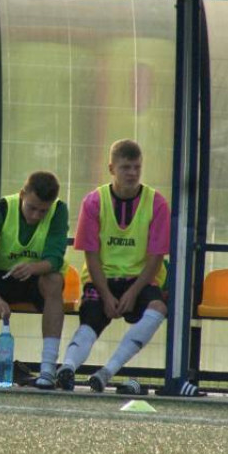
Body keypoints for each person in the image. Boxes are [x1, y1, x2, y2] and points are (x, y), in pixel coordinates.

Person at [56, 139, 179, 394]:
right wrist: (107, 294)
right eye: (126, 167)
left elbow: (156, 257)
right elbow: (91, 255)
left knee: (157, 307)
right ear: (112, 169)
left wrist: (133, 292)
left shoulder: (156, 203)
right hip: (102, 279)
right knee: (91, 320)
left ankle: (106, 372)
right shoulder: (94, 202)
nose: (132, 173)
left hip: (141, 279)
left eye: (137, 167)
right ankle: (67, 368)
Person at [0, 171, 69, 388]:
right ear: (22, 194)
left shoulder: (59, 211)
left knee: (54, 281)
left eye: (43, 211)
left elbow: (56, 258)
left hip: (34, 280)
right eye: (31, 207)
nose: (36, 216)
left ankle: (48, 370)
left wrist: (33, 268)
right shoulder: (1, 208)